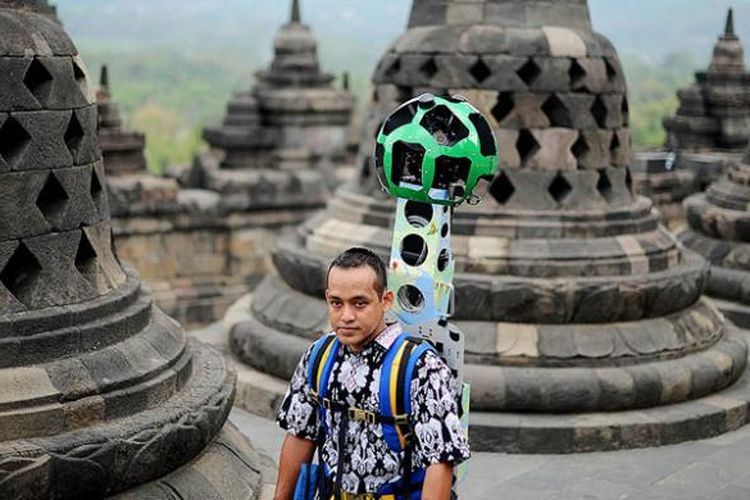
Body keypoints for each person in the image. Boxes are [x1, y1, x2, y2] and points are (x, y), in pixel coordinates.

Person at [274, 247, 470, 500]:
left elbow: (441, 461)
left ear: (385, 300)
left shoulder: (421, 367)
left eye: (359, 303)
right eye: (336, 303)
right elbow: (301, 433)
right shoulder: (319, 357)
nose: (346, 316)